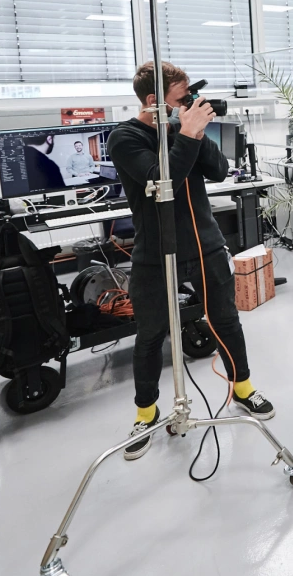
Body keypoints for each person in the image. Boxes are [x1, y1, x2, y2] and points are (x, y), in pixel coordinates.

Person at [107, 61, 273, 460]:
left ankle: (243, 388)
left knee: (225, 320)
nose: (191, 104)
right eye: (183, 99)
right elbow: (164, 182)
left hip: (204, 243)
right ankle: (146, 414)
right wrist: (186, 132)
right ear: (154, 100)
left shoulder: (184, 129)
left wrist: (195, 130)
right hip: (155, 251)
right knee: (150, 335)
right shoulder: (125, 137)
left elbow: (218, 170)